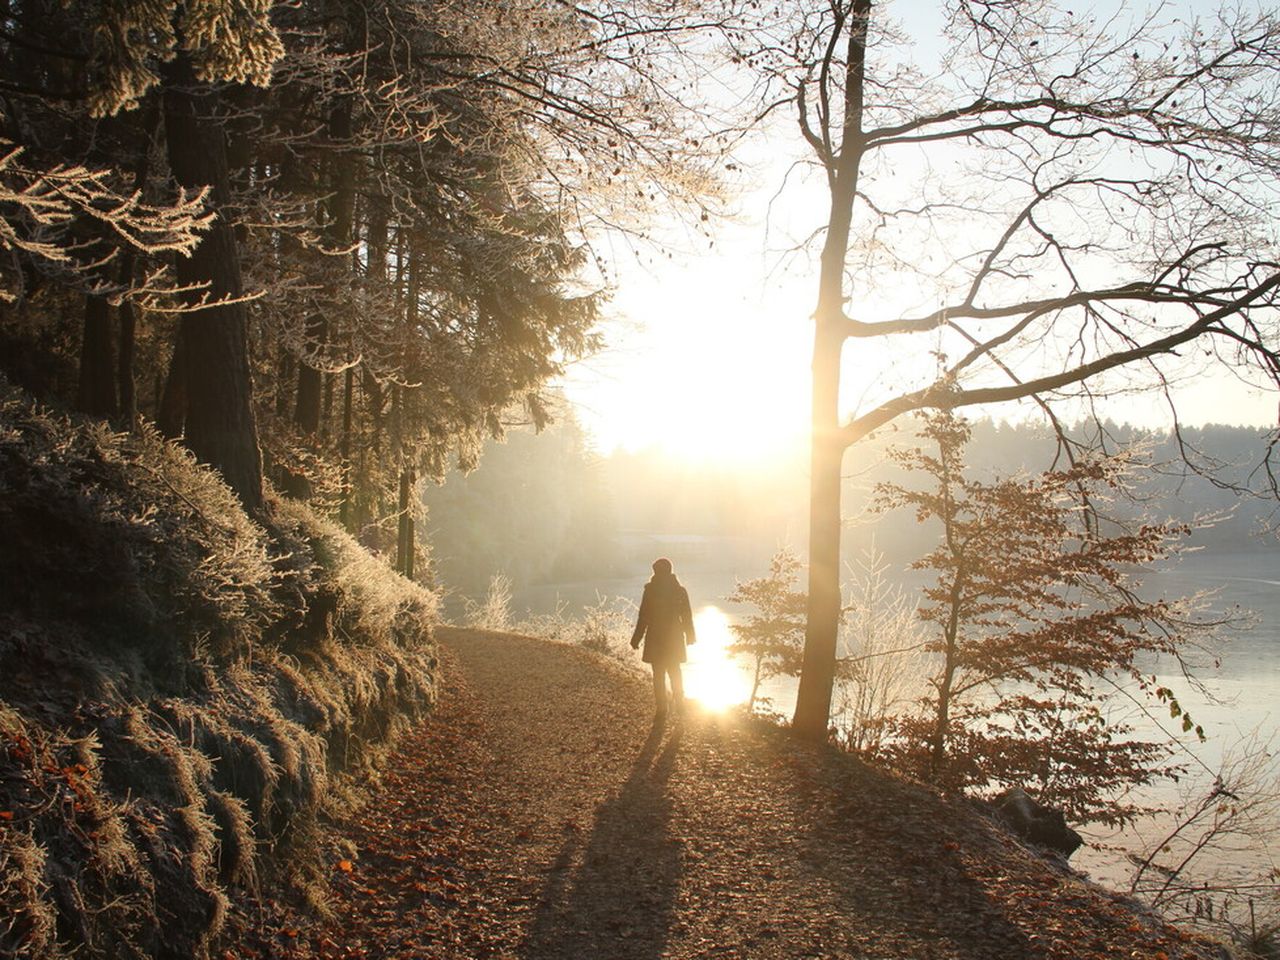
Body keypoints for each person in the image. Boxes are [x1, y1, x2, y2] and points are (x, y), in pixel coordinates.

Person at [630, 557, 696, 719]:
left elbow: (643, 616)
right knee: (675, 671)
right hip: (674, 637)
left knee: (658, 674)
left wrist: (636, 638)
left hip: (655, 637)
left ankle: (661, 709)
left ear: (656, 572)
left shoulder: (650, 590)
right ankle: (680, 706)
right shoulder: (680, 590)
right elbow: (687, 615)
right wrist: (690, 635)